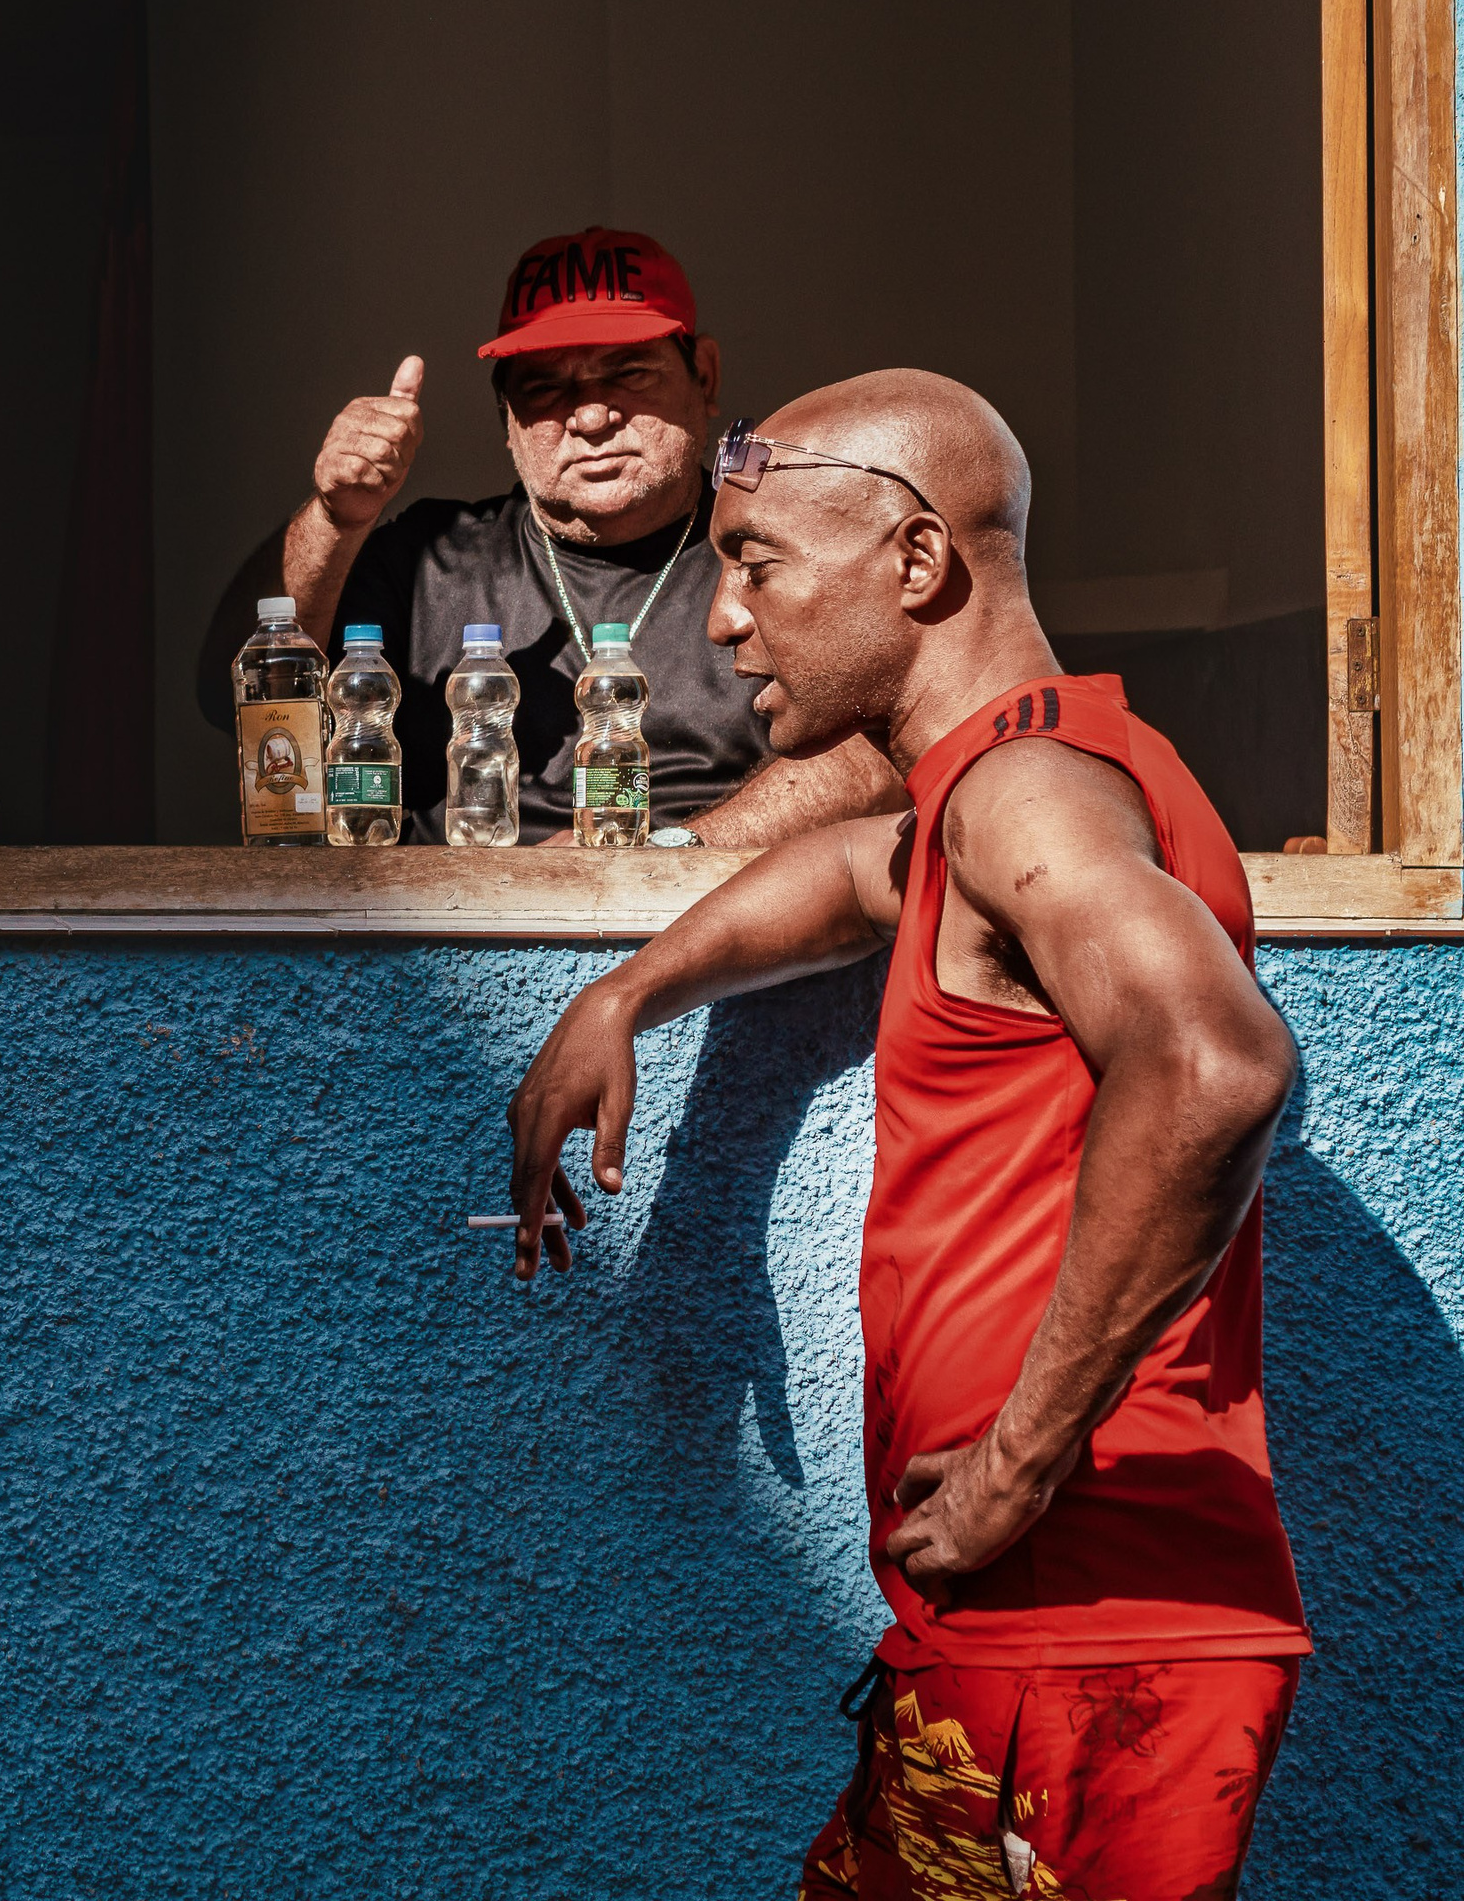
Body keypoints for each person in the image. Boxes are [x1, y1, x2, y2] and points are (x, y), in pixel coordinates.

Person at [504, 371, 1310, 1899]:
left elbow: (1213, 1066)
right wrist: (630, 990)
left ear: (919, 564)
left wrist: (1021, 1459)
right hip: (1020, 1645)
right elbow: (855, 877)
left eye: (756, 564)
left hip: (1086, 1646)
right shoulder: (1006, 792)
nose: (724, 618)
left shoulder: (1027, 794)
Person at [195, 227, 902, 845]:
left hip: (695, 928)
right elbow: (237, 702)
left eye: (628, 373)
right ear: (506, 416)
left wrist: (670, 855)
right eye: (544, 388)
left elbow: (881, 757)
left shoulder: (777, 551)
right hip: (452, 946)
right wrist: (334, 517)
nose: (591, 418)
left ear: (703, 376)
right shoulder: (430, 559)